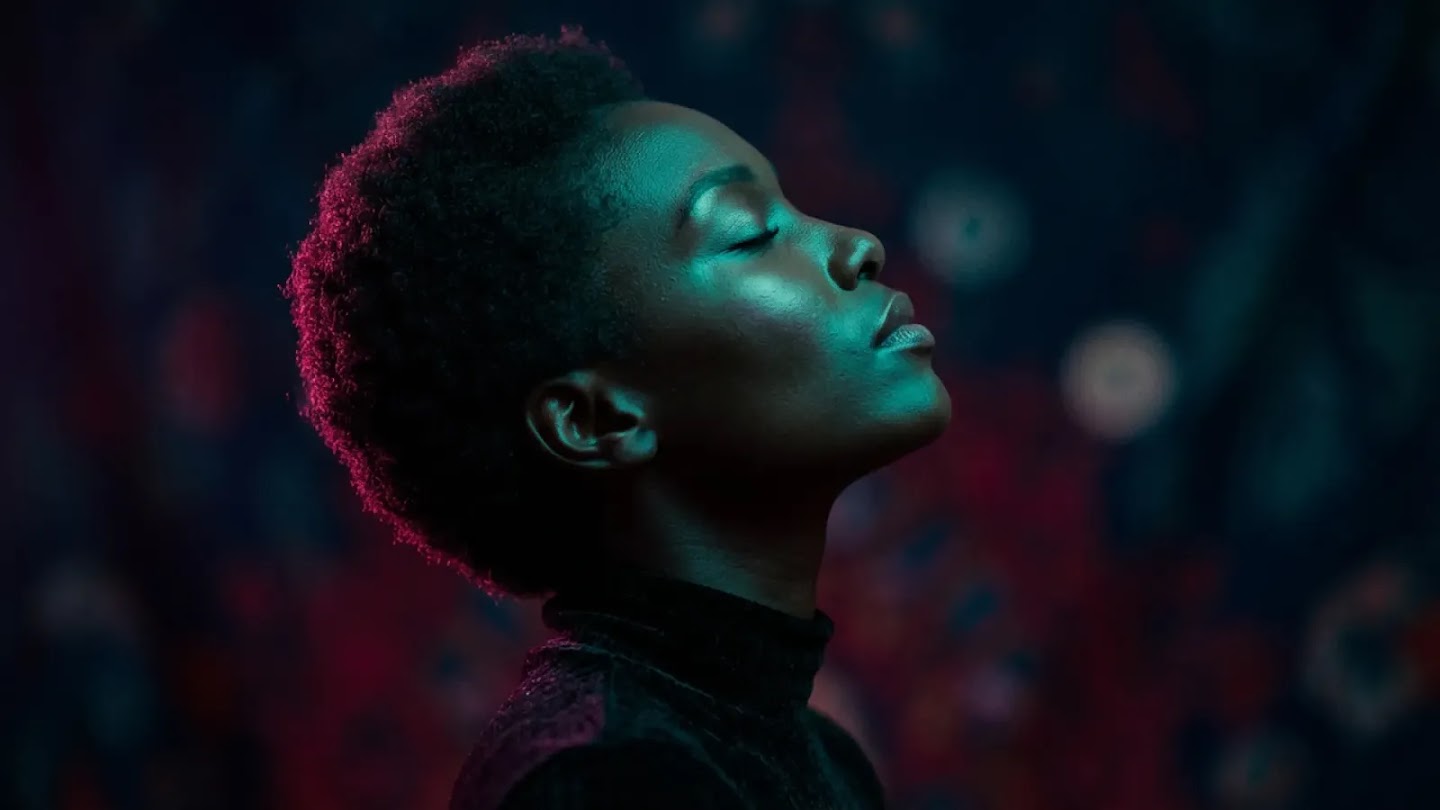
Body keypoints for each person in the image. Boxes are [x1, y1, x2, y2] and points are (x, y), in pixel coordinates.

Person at [284, 25, 951, 810]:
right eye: (752, 231)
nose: (859, 246)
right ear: (592, 418)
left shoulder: (824, 761)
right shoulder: (606, 782)